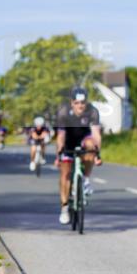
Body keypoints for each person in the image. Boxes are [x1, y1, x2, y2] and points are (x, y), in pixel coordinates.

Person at [55, 87, 102, 225]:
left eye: (82, 102)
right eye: (76, 103)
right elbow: (61, 135)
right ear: (72, 103)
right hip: (68, 140)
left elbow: (96, 134)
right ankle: (64, 207)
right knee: (65, 174)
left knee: (90, 146)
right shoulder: (64, 113)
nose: (80, 106)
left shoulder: (92, 111)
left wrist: (97, 152)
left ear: (86, 102)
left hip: (84, 138)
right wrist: (59, 152)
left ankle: (86, 179)